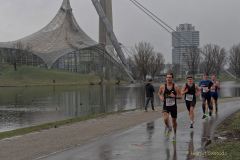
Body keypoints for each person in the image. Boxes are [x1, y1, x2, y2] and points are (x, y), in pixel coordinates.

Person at [158, 72, 181, 141]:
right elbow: (159, 93)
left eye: (170, 77)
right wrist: (161, 97)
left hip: (173, 106)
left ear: (172, 78)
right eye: (167, 77)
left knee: (174, 121)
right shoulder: (162, 86)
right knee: (165, 119)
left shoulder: (176, 87)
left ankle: (175, 134)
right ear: (166, 78)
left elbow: (180, 96)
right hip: (166, 105)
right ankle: (169, 127)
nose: (168, 79)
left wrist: (175, 96)